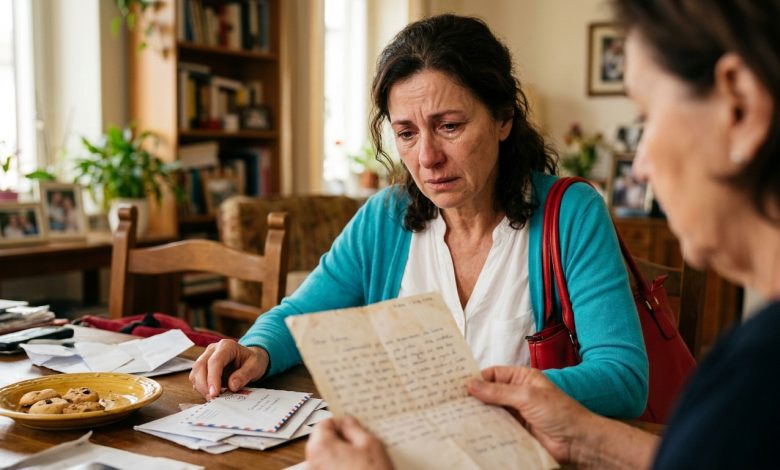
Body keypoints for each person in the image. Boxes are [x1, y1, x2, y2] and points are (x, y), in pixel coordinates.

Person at [306, 1, 780, 468]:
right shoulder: (745, 373)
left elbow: (626, 380)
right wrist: (593, 441)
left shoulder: (749, 385)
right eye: (406, 133)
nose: (639, 165)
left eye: (646, 118)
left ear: (738, 105)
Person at [190, 14, 649, 419]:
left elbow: (623, 379)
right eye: (406, 133)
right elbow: (299, 315)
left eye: (450, 126)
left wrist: (481, 394)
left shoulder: (570, 214)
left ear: (504, 118)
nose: (427, 157)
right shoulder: (385, 217)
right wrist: (254, 349)